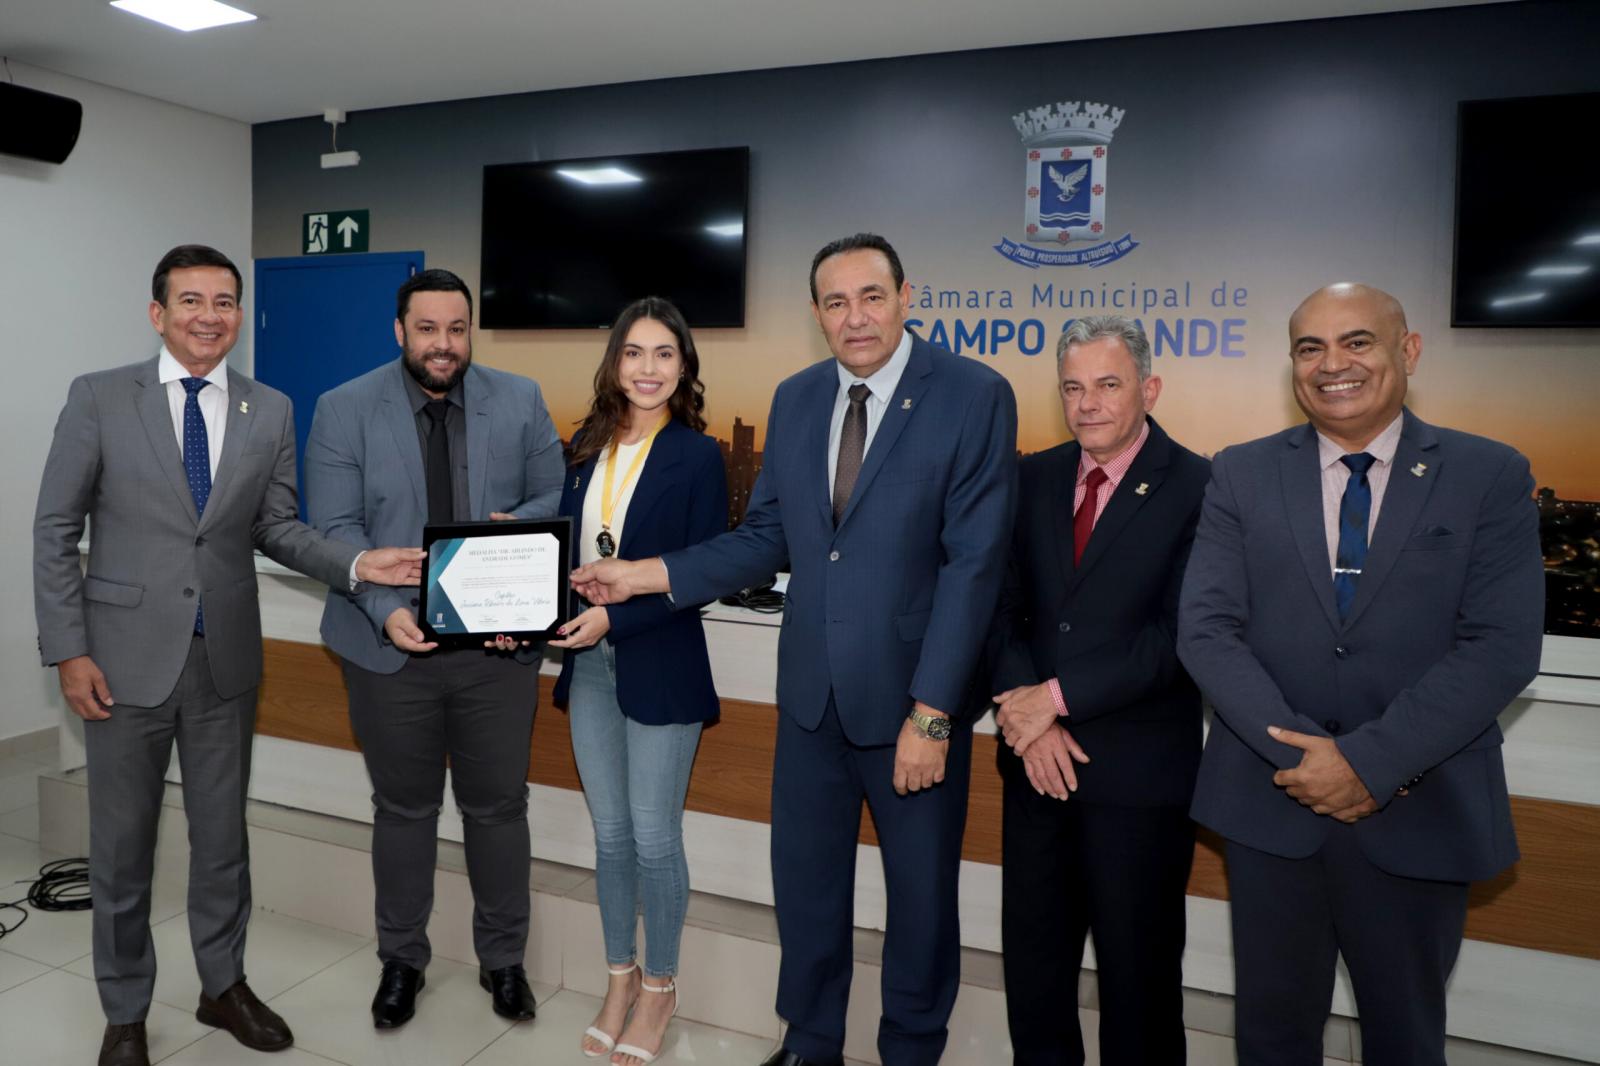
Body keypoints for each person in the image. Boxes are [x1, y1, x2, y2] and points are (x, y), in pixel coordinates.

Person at [572, 233, 1018, 1066]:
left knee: (921, 899)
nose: (856, 317)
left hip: (912, 703)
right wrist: (642, 576)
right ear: (817, 313)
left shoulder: (971, 394)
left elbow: (975, 565)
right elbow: (766, 536)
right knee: (807, 889)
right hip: (811, 698)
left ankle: (910, 1050)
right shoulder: (800, 396)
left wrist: (933, 713)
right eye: (836, 302)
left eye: (872, 296)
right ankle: (810, 1042)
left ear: (906, 296)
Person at [32, 244, 424, 1066]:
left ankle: (222, 986)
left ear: (240, 315)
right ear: (158, 313)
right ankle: (126, 1012)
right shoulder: (100, 397)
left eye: (224, 302)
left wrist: (358, 564)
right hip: (121, 663)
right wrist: (68, 650)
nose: (209, 316)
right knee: (122, 850)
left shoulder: (269, 408)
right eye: (191, 301)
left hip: (225, 663)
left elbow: (276, 527)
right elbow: (55, 531)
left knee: (222, 843)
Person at [1177, 283, 1544, 1066]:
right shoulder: (1240, 473)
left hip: (1418, 809)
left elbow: (1502, 645)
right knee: (1272, 1038)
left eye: (1357, 342)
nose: (1331, 364)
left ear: (1407, 351)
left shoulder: (1487, 474)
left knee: (1405, 1039)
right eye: (1309, 348)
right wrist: (1306, 758)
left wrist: (1367, 763)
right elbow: (1207, 632)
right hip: (1272, 808)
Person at [303, 268, 564, 1030]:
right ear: (400, 331)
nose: (443, 344)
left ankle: (503, 961)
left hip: (495, 653)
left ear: (469, 330)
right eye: (427, 329)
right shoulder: (344, 408)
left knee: (499, 808)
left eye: (456, 328)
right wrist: (385, 611)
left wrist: (515, 549)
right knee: (403, 809)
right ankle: (402, 961)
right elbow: (338, 531)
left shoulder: (520, 399)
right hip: (388, 650)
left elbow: (557, 496)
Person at [989, 316, 1209, 1065]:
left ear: (1150, 388)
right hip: (1035, 768)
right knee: (1035, 975)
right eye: (1073, 387)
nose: (1088, 404)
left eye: (1108, 385)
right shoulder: (1033, 477)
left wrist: (1054, 698)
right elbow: (1000, 609)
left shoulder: (1200, 486)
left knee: (1139, 985)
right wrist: (1032, 717)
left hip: (1138, 783)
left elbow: (1180, 635)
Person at [546, 296, 728, 1065]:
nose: (647, 369)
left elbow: (702, 575)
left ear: (683, 367)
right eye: (633, 352)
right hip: (588, 667)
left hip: (660, 663)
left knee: (655, 837)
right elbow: (566, 555)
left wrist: (613, 619)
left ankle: (659, 988)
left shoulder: (698, 456)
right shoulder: (585, 448)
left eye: (663, 354)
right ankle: (618, 979)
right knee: (612, 835)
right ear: (613, 363)